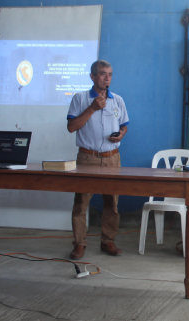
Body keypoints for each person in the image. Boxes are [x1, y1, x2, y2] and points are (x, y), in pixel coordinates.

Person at [66, 60, 129, 260]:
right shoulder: (80, 98)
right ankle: (79, 244)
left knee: (112, 202)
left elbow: (124, 125)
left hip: (112, 158)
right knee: (81, 202)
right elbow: (71, 127)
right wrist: (92, 108)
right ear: (92, 76)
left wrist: (121, 135)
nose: (107, 78)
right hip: (88, 157)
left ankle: (108, 241)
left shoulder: (118, 100)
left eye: (110, 74)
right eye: (102, 74)